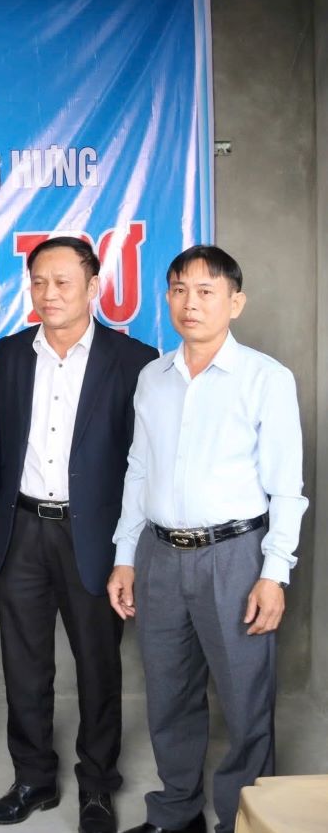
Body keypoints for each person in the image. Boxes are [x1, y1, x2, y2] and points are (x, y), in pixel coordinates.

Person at [107, 245, 306, 833]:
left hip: (236, 557)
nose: (190, 303)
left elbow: (286, 487)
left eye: (206, 291)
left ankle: (242, 819)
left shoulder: (266, 378)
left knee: (246, 702)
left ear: (235, 302)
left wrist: (275, 572)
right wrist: (125, 557)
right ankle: (174, 812)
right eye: (178, 290)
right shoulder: (153, 377)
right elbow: (137, 471)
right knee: (169, 695)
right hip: (161, 556)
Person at [0, 237, 157, 833]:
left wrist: (128, 553)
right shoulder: (7, 357)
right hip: (22, 530)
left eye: (62, 282)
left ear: (93, 286)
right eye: (38, 283)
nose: (49, 294)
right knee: (24, 666)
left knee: (98, 666)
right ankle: (31, 778)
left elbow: (143, 466)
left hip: (95, 538)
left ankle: (98, 787)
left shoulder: (134, 361)